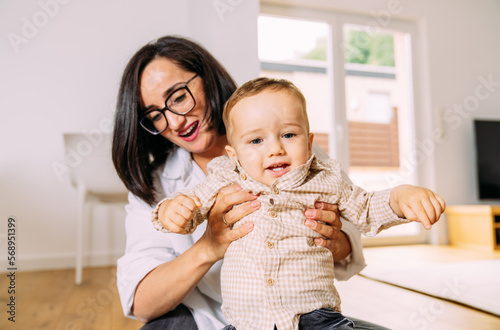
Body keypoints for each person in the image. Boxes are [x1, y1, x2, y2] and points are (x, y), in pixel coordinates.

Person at [113, 35, 386, 330]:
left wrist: (336, 241)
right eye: (156, 115)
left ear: (207, 78)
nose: (176, 122)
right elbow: (141, 303)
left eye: (178, 97)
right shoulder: (153, 186)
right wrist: (209, 246)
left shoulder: (289, 148)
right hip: (205, 318)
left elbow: (353, 236)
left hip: (296, 314)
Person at [153, 77, 446, 330]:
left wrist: (399, 197)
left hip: (317, 318)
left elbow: (366, 208)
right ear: (234, 155)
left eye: (289, 135)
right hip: (247, 322)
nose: (275, 149)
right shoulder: (224, 178)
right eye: (256, 141)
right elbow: (191, 206)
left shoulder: (325, 179)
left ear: (309, 142)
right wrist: (171, 210)